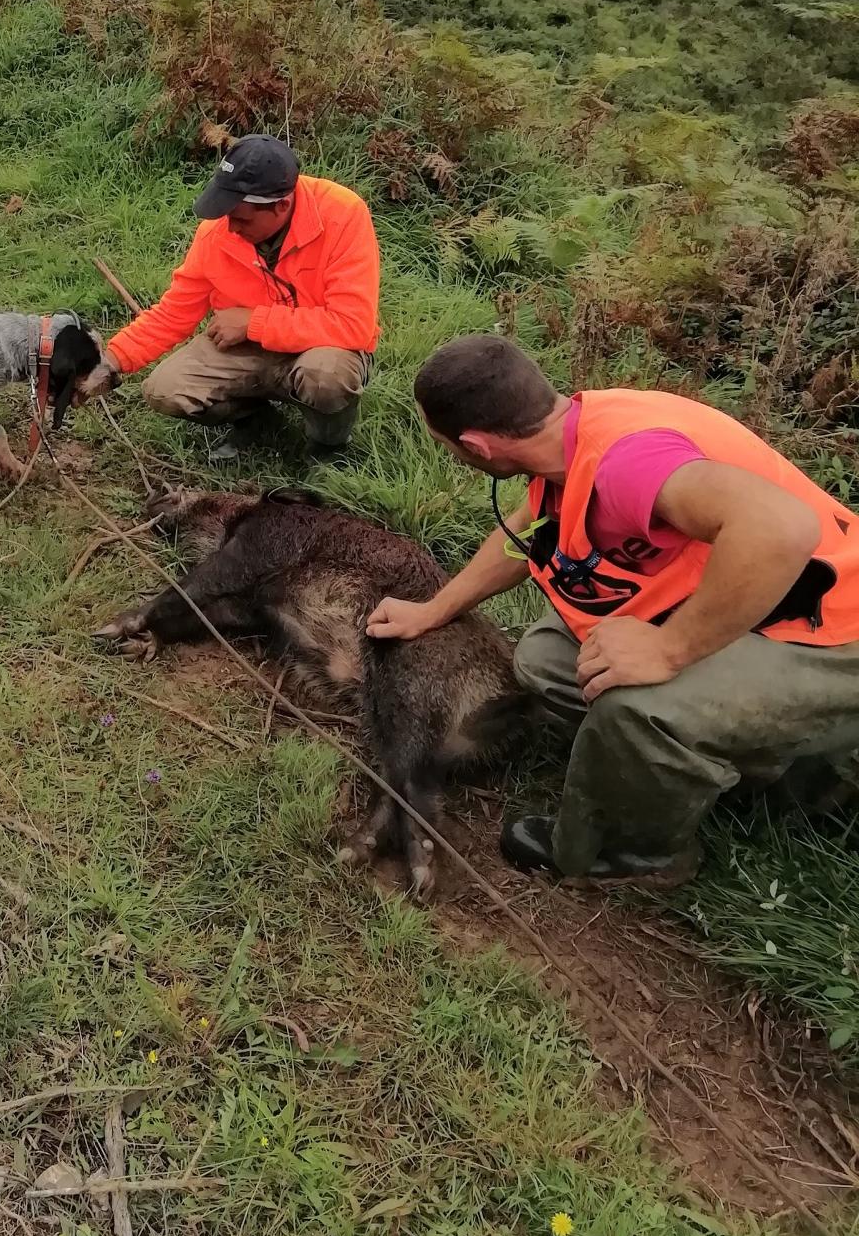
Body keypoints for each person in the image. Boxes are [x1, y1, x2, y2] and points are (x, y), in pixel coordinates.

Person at [367, 333, 859, 883]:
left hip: (834, 631)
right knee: (551, 656)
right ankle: (734, 765)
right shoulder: (568, 437)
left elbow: (781, 528)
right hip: (767, 602)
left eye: (445, 444)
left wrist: (671, 650)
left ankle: (639, 854)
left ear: (478, 446)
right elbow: (526, 534)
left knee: (637, 709)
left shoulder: (626, 463)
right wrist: (434, 609)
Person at [102, 135, 380, 454]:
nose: (230, 228)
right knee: (166, 390)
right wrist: (108, 361)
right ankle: (258, 422)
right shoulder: (217, 232)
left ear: (281, 205)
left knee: (326, 376)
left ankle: (327, 445)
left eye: (240, 218)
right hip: (245, 347)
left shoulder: (342, 215)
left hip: (324, 349)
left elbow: (352, 325)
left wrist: (254, 322)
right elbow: (173, 313)